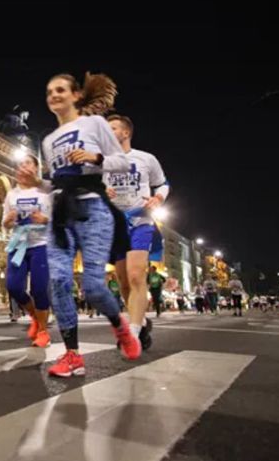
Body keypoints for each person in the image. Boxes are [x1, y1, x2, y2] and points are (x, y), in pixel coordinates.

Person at [40, 72, 140, 378]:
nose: (54, 95)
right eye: (49, 92)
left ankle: (119, 326)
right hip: (60, 213)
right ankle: (72, 355)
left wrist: (95, 157)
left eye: (60, 90)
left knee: (94, 286)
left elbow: (121, 162)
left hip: (92, 207)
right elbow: (54, 182)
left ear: (75, 95)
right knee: (57, 281)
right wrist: (37, 186)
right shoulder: (47, 141)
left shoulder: (94, 124)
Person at [105, 114, 169, 349]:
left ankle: (131, 334)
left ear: (125, 133)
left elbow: (163, 183)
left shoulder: (145, 159)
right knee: (123, 283)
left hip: (140, 220)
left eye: (112, 128)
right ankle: (141, 322)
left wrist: (158, 197)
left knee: (135, 276)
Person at [3, 152, 53, 347]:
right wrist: (8, 220)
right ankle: (35, 317)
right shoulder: (12, 194)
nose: (23, 167)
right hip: (18, 244)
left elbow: (60, 216)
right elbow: (5, 222)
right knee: (13, 286)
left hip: (41, 244)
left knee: (39, 288)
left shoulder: (46, 190)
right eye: (20, 164)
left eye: (28, 163)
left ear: (36, 168)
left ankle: (43, 331)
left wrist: (46, 219)